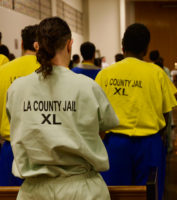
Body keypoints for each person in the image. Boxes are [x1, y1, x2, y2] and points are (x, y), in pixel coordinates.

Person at [6, 17, 119, 200]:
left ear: (37, 47)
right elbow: (103, 129)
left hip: (34, 191)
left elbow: (19, 128)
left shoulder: (17, 89)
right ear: (69, 44)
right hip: (82, 190)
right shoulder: (87, 87)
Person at [95, 23, 177, 200]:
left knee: (116, 193)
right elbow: (166, 114)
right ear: (146, 48)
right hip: (150, 144)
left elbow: (96, 115)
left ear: (122, 47)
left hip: (115, 143)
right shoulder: (158, 74)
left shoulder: (105, 74)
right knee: (150, 194)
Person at [0, 24, 39, 186]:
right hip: (42, 151)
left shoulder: (3, 71)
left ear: (22, 44)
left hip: (10, 150)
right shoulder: (50, 70)